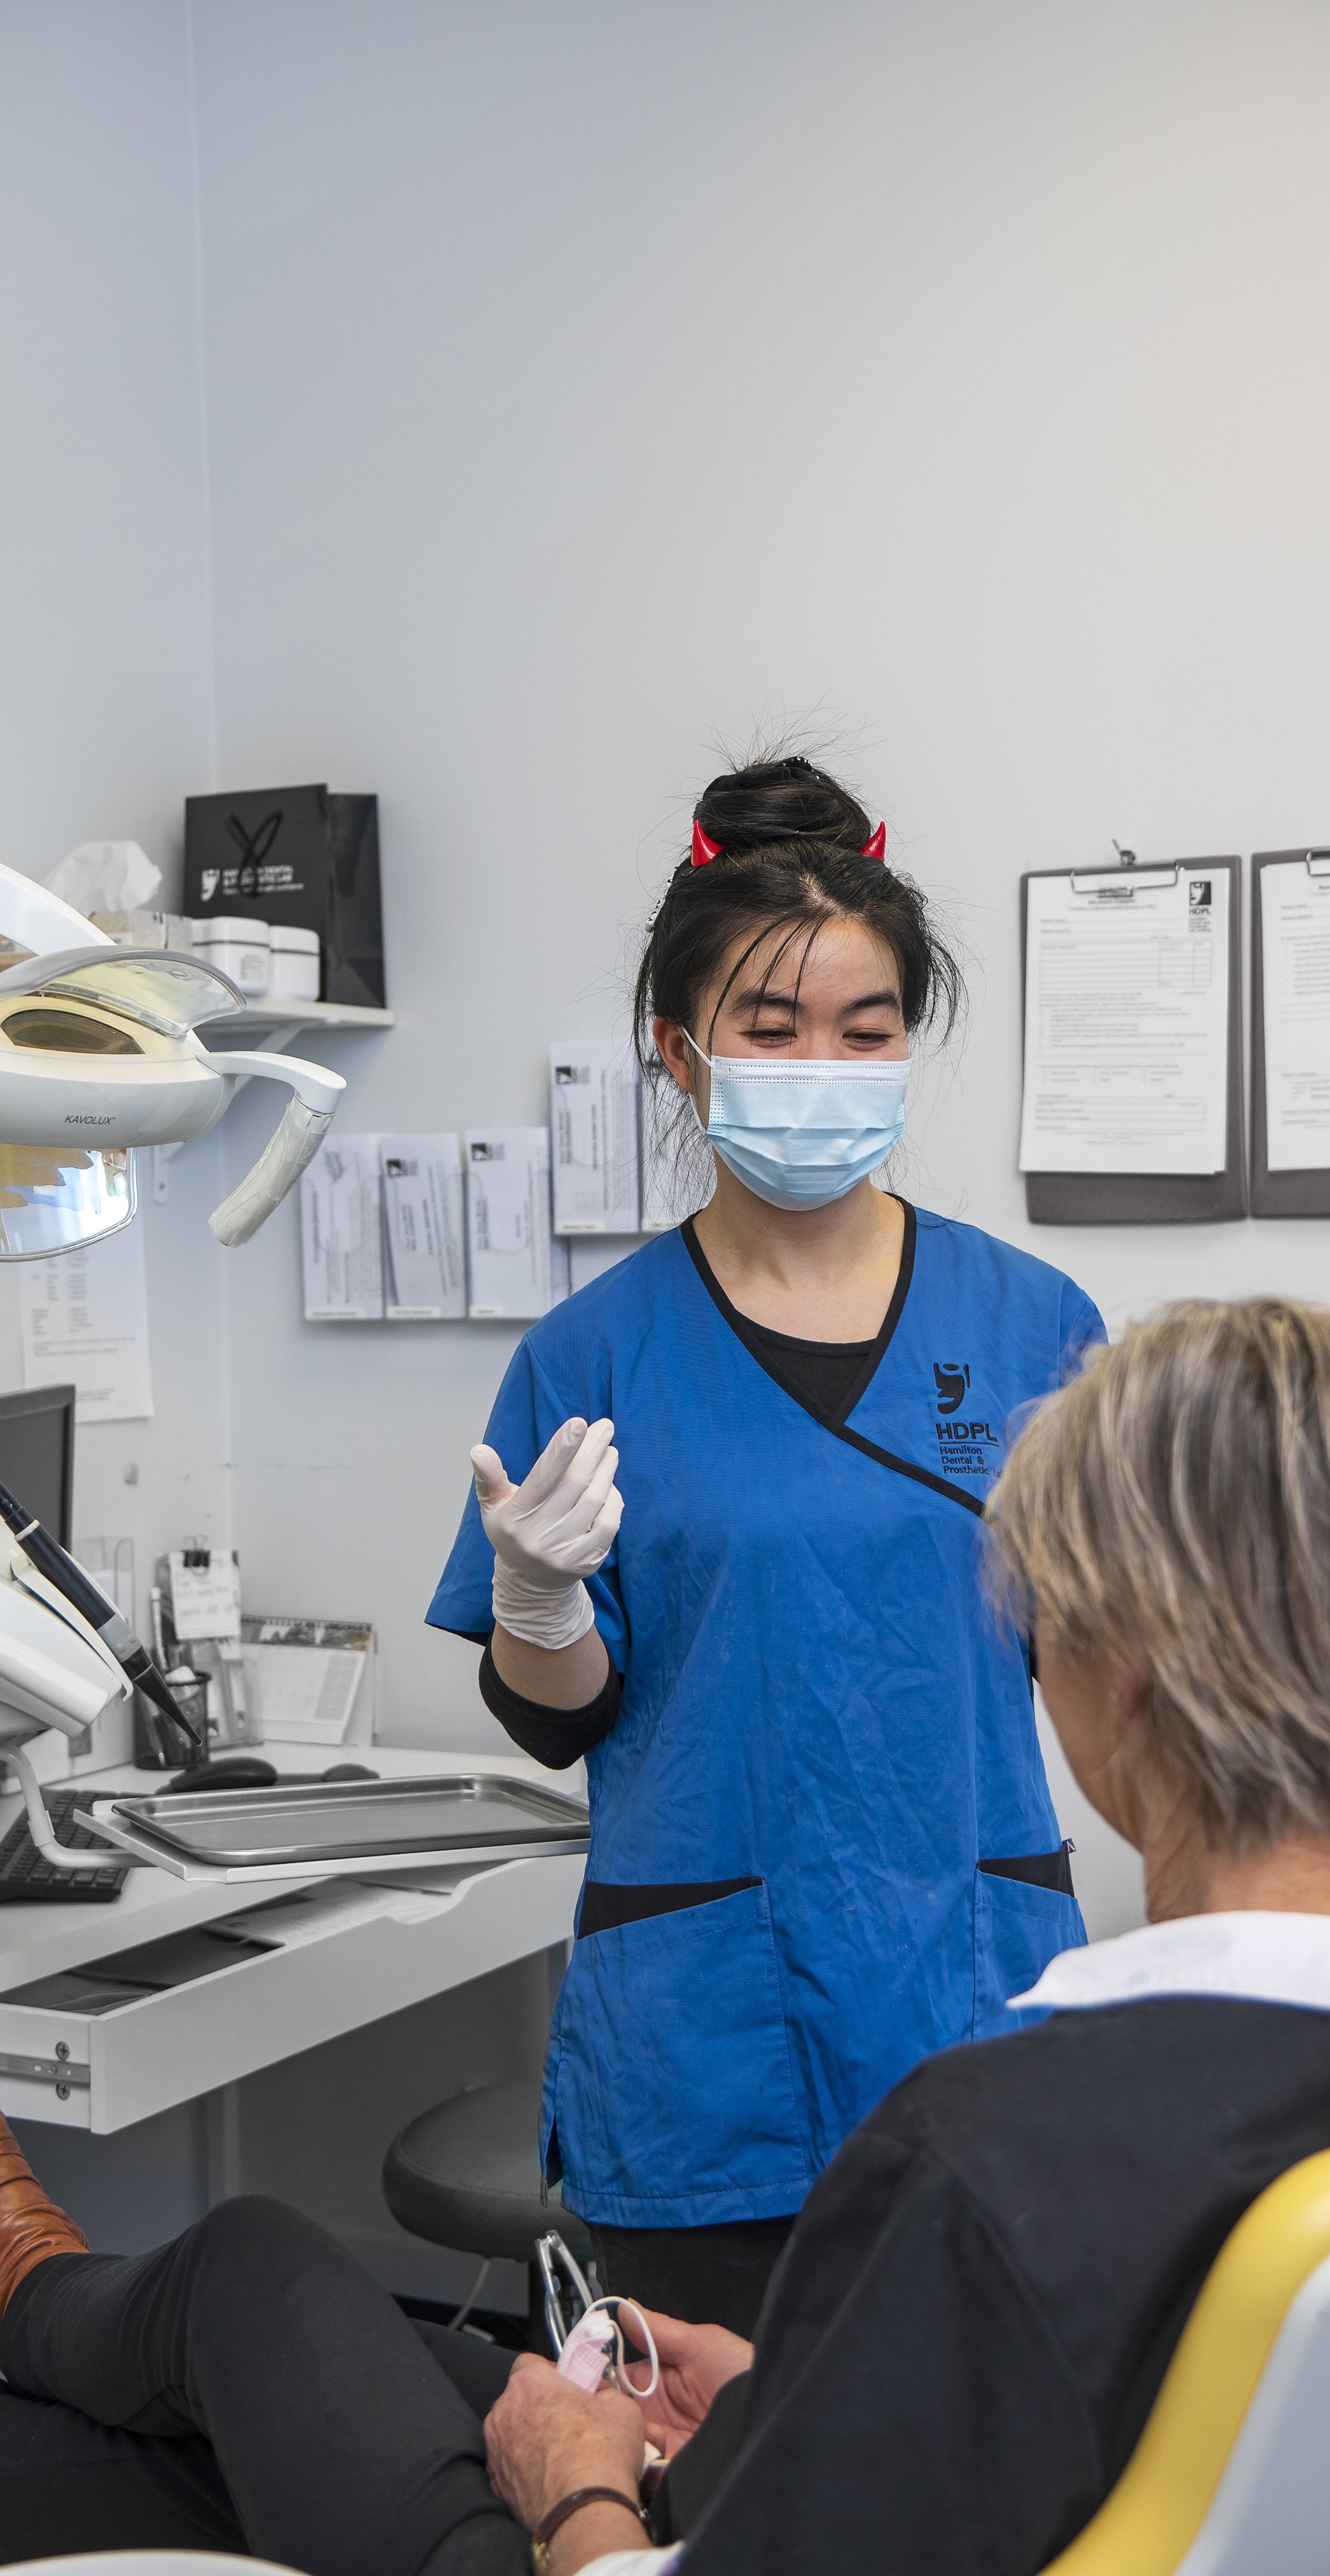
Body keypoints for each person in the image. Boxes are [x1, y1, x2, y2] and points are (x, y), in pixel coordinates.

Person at [0, 1295, 1330, 2576]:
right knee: (332, 2368)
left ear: (1115, 1678)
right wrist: (806, 2377)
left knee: (262, 2280)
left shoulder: (991, 2160)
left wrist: (575, 2485)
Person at [428, 753, 1104, 2329]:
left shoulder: (1031, 1329)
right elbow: (559, 1717)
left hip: (971, 1981)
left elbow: (1115, 1661)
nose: (822, 1064)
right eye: (768, 1025)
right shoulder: (590, 1355)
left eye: (863, 1033)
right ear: (680, 1052)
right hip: (706, 2043)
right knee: (704, 2502)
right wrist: (535, 1594)